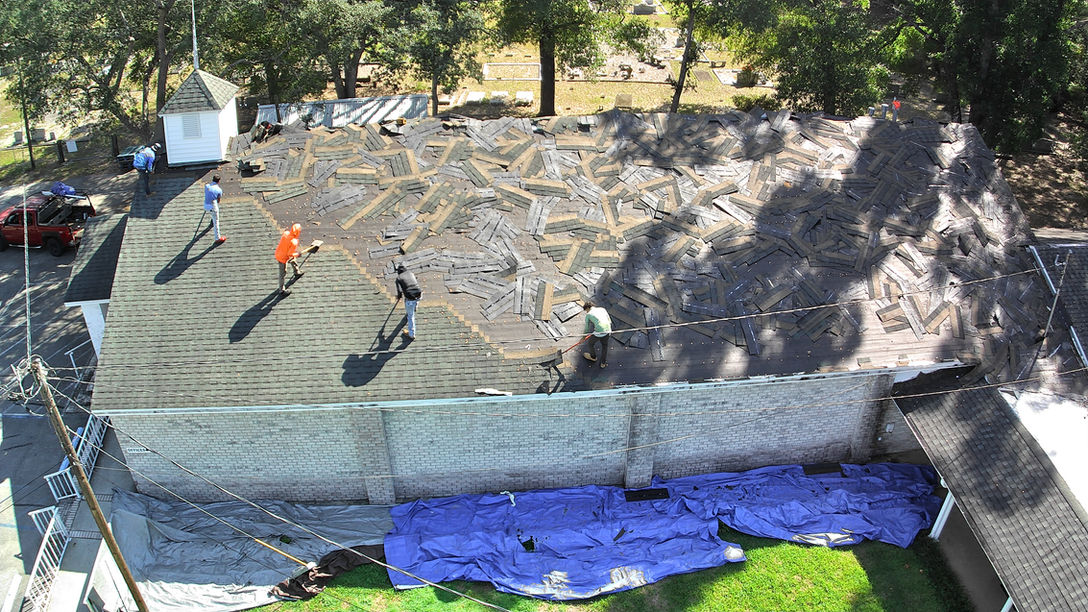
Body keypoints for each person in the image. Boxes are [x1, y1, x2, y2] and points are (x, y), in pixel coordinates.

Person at [394, 263, 422, 340]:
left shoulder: (399, 278)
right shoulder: (410, 273)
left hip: (410, 299)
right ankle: (415, 307)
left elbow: (399, 291)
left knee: (410, 316)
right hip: (419, 294)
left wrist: (399, 297)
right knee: (416, 301)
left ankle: (412, 334)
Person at [275, 223, 303, 296]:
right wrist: (297, 254)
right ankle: (281, 290)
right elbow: (289, 254)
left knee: (292, 259)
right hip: (282, 258)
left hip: (278, 252)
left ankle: (296, 271)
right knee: (283, 273)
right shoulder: (294, 242)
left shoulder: (286, 233)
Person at [582, 301, 612, 368]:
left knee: (590, 343)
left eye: (586, 310)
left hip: (598, 333)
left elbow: (586, 328)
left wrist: (583, 338)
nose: (586, 312)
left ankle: (593, 357)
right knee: (604, 346)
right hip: (607, 331)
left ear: (587, 308)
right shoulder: (602, 309)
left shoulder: (589, 314)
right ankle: (603, 363)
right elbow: (609, 321)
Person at [204, 174, 226, 244]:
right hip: (212, 205)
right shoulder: (219, 190)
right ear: (218, 181)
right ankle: (217, 238)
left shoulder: (207, 186)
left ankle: (211, 220)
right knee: (216, 221)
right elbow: (218, 201)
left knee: (212, 214)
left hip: (205, 205)